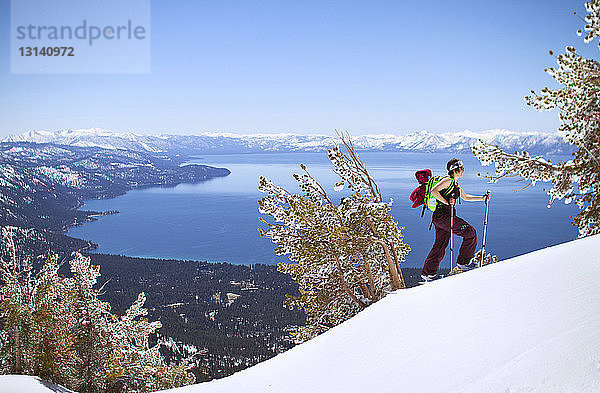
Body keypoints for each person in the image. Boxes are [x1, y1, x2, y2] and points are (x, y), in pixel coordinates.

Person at [420, 158, 490, 282]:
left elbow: (466, 197)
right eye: (461, 168)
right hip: (444, 217)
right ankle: (464, 263)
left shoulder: (455, 184)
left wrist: (482, 198)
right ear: (455, 170)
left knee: (440, 244)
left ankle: (428, 274)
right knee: (470, 232)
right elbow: (433, 190)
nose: (463, 171)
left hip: (440, 218)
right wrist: (447, 202)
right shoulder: (448, 180)